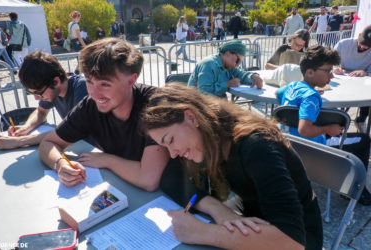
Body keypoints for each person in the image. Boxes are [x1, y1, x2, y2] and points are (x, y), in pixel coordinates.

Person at [143, 83, 323, 250]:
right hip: (252, 220)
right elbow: (170, 177)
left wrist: (203, 232)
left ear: (191, 117)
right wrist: (217, 209)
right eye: (165, 146)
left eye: (170, 140)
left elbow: (293, 243)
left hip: (298, 235)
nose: (172, 153)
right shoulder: (209, 136)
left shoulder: (257, 146)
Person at [38, 38, 169, 190]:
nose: (94, 93)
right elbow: (48, 143)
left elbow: (149, 179)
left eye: (105, 84)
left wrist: (108, 160)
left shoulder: (155, 105)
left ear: (131, 80)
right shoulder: (90, 105)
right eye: (89, 81)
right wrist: (60, 164)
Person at [277, 45, 371, 206]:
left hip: (289, 146)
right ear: (310, 72)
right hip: (313, 151)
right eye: (328, 71)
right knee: (363, 140)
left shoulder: (293, 87)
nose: (332, 76)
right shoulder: (311, 96)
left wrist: (307, 95)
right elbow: (304, 129)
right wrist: (328, 129)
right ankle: (354, 190)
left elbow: (278, 95)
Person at [0, 51, 88, 150]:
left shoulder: (82, 87)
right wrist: (26, 127)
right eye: (32, 93)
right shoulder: (52, 90)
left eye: (38, 93)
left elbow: (72, 130)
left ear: (56, 82)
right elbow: (41, 112)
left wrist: (20, 141)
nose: (36, 98)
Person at [188, 40, 263, 98]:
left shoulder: (229, 65)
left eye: (240, 62)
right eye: (238, 60)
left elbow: (241, 74)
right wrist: (227, 84)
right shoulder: (209, 64)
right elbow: (204, 92)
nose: (237, 65)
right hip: (198, 106)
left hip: (216, 104)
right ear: (228, 53)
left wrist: (253, 76)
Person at [333, 25, 371, 131]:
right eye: (362, 43)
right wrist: (335, 67)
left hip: (361, 83)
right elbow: (330, 61)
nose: (364, 47)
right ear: (358, 36)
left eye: (368, 46)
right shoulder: (343, 44)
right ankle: (334, 121)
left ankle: (361, 120)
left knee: (368, 94)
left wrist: (366, 73)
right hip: (340, 79)